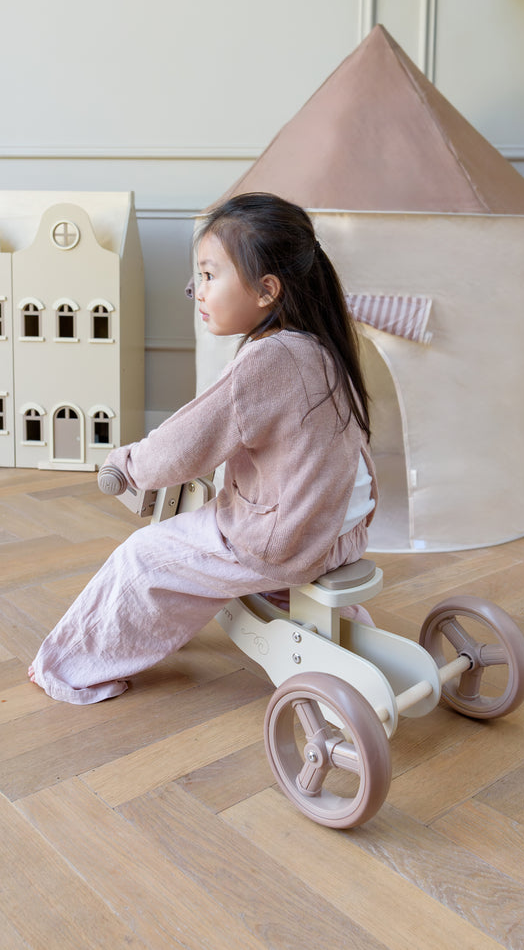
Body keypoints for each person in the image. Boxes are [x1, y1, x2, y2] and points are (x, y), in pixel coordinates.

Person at [28, 192, 377, 704]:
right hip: (340, 529)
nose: (198, 290)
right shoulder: (321, 346)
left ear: (266, 290)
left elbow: (186, 442)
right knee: (216, 533)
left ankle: (70, 666)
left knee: (143, 557)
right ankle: (342, 632)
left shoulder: (270, 358)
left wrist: (129, 464)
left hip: (291, 538)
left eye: (211, 275)